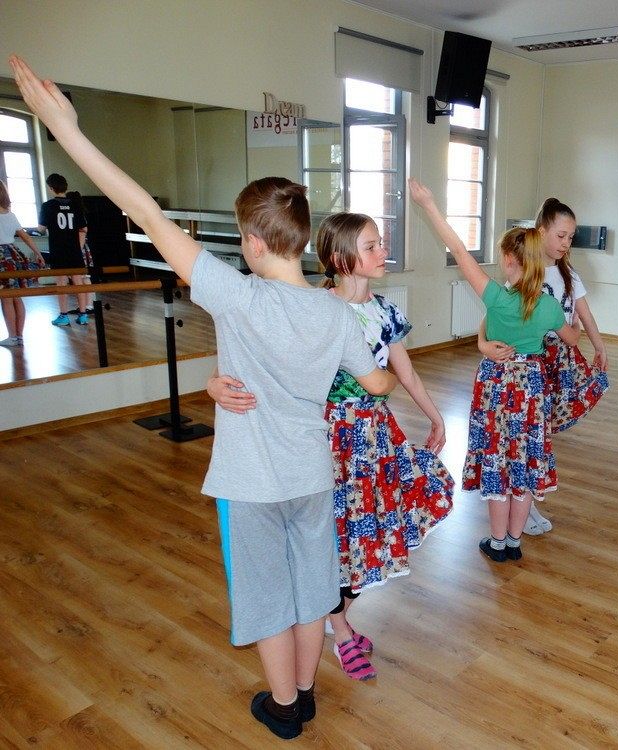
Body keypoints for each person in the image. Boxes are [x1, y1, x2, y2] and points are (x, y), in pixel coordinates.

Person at [9, 55, 398, 740]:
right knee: (313, 591)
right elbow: (376, 383)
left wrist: (66, 130)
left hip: (252, 483)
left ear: (252, 242)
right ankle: (307, 692)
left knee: (269, 596)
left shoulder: (237, 295)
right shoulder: (337, 314)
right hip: (312, 476)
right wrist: (373, 372)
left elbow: (143, 210)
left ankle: (286, 709)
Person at [209, 211, 454, 682]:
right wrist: (214, 382)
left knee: (369, 534)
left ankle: (334, 618)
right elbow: (257, 360)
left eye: (380, 243)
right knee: (335, 541)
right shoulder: (315, 306)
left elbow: (403, 372)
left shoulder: (384, 311)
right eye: (371, 246)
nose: (383, 252)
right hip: (326, 438)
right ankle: (340, 632)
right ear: (341, 259)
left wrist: (435, 415)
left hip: (374, 436)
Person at [409, 178, 581, 563]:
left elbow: (457, 249)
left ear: (508, 260)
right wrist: (571, 328)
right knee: (522, 466)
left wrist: (430, 205)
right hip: (531, 388)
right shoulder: (549, 307)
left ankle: (498, 542)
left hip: (495, 386)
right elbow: (571, 339)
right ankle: (515, 542)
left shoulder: (497, 299)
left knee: (498, 464)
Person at [479, 198, 610, 536]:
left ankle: (526, 497)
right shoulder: (525, 271)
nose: (566, 243)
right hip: (532, 360)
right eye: (561, 236)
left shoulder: (568, 274)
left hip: (559, 361)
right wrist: (481, 343)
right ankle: (524, 503)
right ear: (541, 233)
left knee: (540, 431)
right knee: (527, 433)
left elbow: (583, 313)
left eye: (571, 237)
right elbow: (495, 316)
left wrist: (599, 345)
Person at [37, 173, 91, 325]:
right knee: (78, 281)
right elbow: (84, 228)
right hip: (74, 249)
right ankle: (83, 314)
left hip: (58, 249)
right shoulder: (75, 205)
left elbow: (41, 229)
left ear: (51, 188)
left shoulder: (48, 206)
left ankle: (63, 315)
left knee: (61, 282)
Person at [0, 179, 46, 347]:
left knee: (6, 298)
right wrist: (38, 253)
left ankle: (12, 337)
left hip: (2, 258)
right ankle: (18, 336)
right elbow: (25, 237)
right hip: (13, 254)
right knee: (16, 296)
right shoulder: (10, 215)